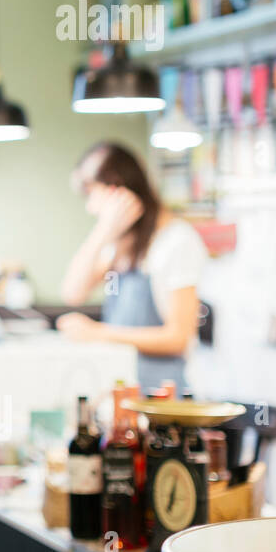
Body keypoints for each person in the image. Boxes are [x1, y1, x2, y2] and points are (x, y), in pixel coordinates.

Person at [56, 141, 208, 394]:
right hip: (124, 395)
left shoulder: (176, 242)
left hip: (162, 401)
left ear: (117, 192)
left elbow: (179, 337)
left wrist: (99, 333)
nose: (90, 207)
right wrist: (103, 232)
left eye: (92, 194)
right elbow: (73, 293)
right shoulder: (121, 246)